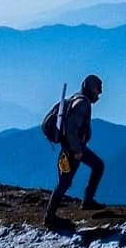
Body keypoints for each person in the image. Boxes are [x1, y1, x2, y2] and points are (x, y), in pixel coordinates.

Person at [45, 74, 105, 227]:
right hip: (73, 149)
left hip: (73, 147)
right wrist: (77, 150)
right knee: (65, 182)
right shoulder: (82, 103)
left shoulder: (76, 99)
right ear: (90, 88)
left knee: (97, 165)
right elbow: (71, 128)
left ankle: (87, 201)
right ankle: (50, 217)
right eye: (98, 89)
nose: (99, 92)